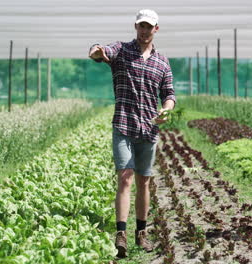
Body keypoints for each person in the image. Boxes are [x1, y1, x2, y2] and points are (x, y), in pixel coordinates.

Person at [88, 9, 175, 258]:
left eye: (149, 27)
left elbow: (169, 94)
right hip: (124, 125)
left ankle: (141, 233)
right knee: (125, 177)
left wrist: (166, 110)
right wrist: (96, 51)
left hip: (149, 129)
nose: (144, 30)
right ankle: (121, 234)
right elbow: (101, 51)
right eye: (141, 26)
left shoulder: (162, 62)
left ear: (156, 29)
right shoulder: (122, 50)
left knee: (143, 181)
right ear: (135, 27)